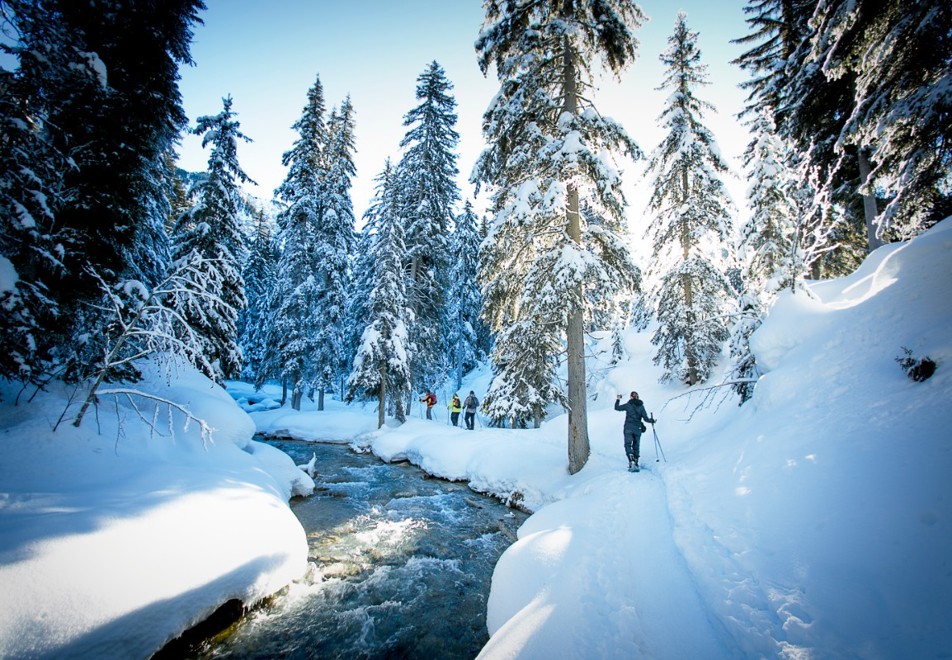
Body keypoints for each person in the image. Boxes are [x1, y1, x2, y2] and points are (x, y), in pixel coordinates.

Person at [614, 391, 655, 471]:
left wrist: (618, 399)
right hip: (637, 428)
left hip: (628, 428)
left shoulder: (628, 405)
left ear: (631, 397)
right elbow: (646, 419)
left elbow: (617, 408)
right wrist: (652, 421)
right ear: (638, 397)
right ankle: (636, 461)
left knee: (628, 444)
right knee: (636, 445)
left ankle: (631, 459)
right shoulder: (641, 406)